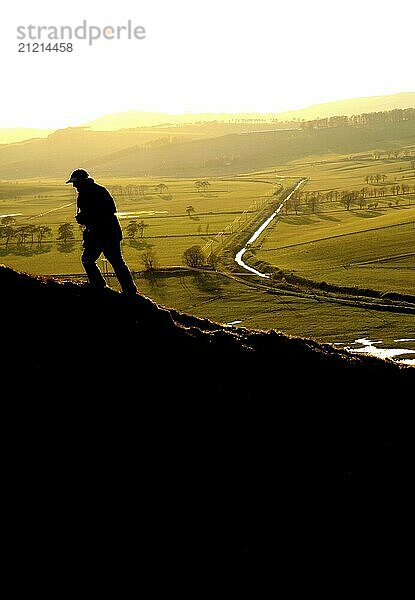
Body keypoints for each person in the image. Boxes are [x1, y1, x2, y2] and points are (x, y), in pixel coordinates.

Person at [66, 168, 138, 295]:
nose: (74, 185)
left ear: (82, 181)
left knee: (94, 260)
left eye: (75, 182)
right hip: (103, 233)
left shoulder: (96, 191)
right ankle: (128, 290)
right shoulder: (92, 191)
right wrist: (85, 218)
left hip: (104, 233)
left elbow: (108, 211)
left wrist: (85, 218)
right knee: (113, 262)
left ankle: (101, 286)